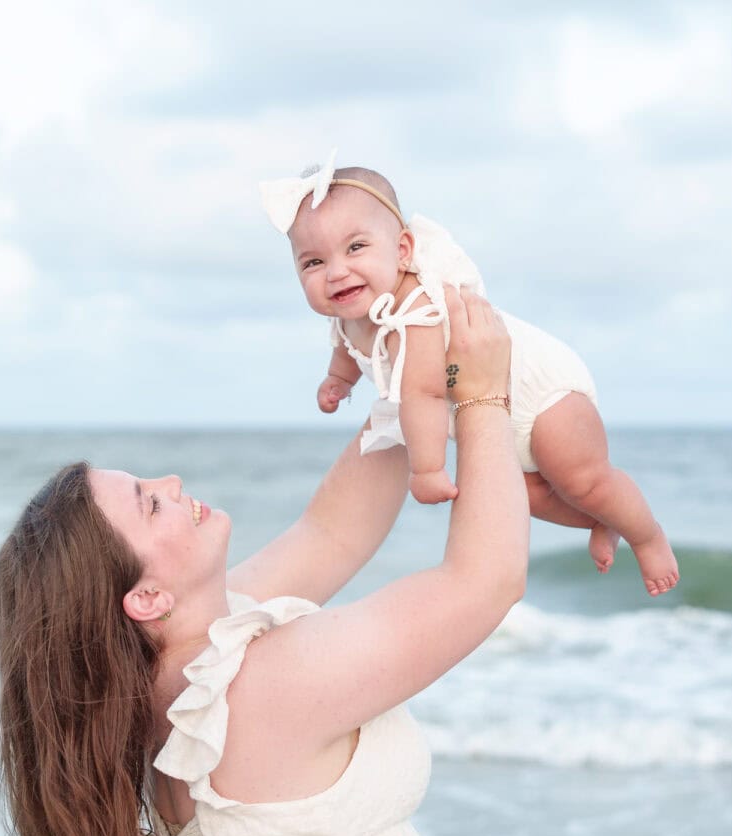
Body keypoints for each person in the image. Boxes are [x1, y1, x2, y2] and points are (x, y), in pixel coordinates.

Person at [0, 288, 525, 836]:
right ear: (146, 598)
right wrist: (483, 397)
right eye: (149, 502)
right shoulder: (258, 687)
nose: (172, 481)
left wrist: (412, 383)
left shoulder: (177, 670)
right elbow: (482, 584)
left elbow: (331, 531)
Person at [260, 152, 680, 596]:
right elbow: (348, 346)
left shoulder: (417, 311)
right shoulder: (350, 313)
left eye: (356, 247)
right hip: (492, 420)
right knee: (528, 496)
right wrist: (339, 380)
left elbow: (421, 393)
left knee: (584, 480)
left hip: (541, 398)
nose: (336, 271)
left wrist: (426, 470)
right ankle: (602, 519)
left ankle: (647, 536)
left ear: (402, 250)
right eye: (313, 263)